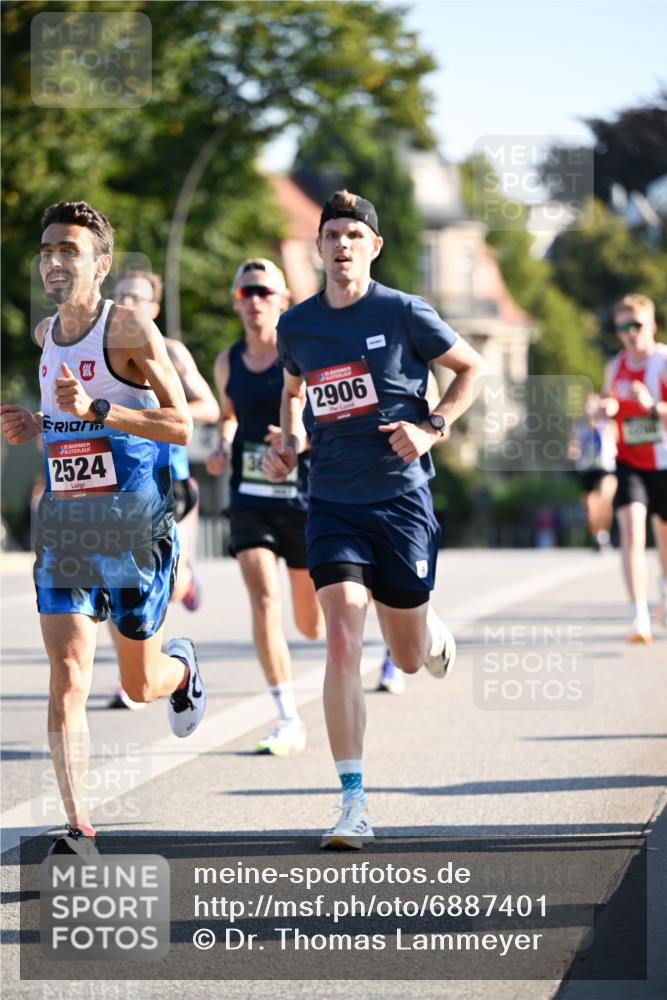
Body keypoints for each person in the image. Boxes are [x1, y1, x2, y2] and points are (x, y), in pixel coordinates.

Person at [264, 190, 487, 848]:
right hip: (331, 500)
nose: (340, 245)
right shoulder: (298, 325)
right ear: (319, 245)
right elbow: (293, 389)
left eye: (352, 236)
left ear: (373, 247)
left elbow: (469, 369)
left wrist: (432, 427)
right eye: (330, 234)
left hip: (400, 500)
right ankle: (352, 803)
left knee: (409, 657)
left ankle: (426, 631)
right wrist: (287, 443)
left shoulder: (402, 311)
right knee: (340, 638)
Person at [0, 202, 207, 856]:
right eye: (48, 249)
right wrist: (37, 425)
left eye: (70, 249)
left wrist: (99, 408)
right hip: (64, 521)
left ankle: (181, 672)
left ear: (101, 263)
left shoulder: (128, 330)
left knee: (139, 687)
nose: (55, 260)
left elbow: (180, 426)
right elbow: (65, 414)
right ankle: (78, 824)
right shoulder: (44, 334)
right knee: (67, 669)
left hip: (132, 522)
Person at [206, 258, 324, 755]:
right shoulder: (226, 362)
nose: (253, 300)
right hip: (249, 496)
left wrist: (299, 438)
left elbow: (330, 418)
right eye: (245, 293)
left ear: (282, 301)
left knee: (309, 623)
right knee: (263, 600)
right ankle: (287, 716)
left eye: (262, 291)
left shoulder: (302, 353)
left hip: (300, 498)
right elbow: (229, 417)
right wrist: (220, 442)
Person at [107, 269, 220, 710]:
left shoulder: (170, 351)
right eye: (120, 297)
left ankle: (185, 583)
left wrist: (153, 411)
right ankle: (131, 675)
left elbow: (207, 405)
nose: (129, 305)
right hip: (122, 486)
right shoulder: (103, 353)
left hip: (169, 483)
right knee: (116, 584)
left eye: (138, 298)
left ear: (154, 308)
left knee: (166, 587)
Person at [600, 294, 667, 643]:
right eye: (622, 327)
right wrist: (603, 409)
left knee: (664, 544)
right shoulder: (615, 367)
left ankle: (664, 593)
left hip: (665, 463)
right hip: (629, 464)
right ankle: (638, 615)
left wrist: (654, 407)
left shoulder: (663, 362)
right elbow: (604, 406)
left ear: (652, 325)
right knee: (631, 534)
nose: (630, 333)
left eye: (636, 325)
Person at [567, 392, 617, 551]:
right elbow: (572, 447)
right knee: (590, 507)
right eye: (587, 405)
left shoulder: (608, 424)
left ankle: (604, 533)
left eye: (594, 405)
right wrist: (572, 450)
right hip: (587, 468)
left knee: (605, 499)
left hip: (606, 467)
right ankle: (597, 535)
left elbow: (618, 440)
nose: (590, 409)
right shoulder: (579, 427)